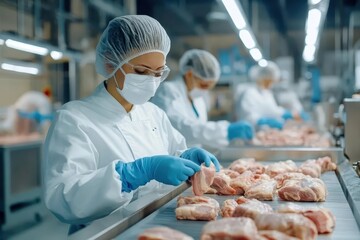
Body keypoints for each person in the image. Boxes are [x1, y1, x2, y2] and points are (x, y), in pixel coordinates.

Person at [43, 15, 220, 234]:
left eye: (158, 73)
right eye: (141, 72)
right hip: (105, 232)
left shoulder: (153, 113)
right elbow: (63, 198)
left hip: (155, 224)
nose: (151, 81)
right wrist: (129, 175)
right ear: (110, 63)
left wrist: (186, 157)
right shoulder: (74, 119)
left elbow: (173, 153)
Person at [151, 49, 253, 148]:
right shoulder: (168, 91)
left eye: (210, 87)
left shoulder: (198, 99)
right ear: (189, 74)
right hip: (173, 156)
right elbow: (179, 127)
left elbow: (200, 133)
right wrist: (225, 131)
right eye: (204, 85)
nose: (205, 91)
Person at [237, 61, 306, 130]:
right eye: (267, 81)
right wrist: (262, 121)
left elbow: (272, 110)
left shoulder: (267, 93)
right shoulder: (250, 93)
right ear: (260, 78)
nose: (270, 84)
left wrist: (286, 114)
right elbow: (249, 116)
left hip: (266, 131)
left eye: (271, 81)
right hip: (252, 131)